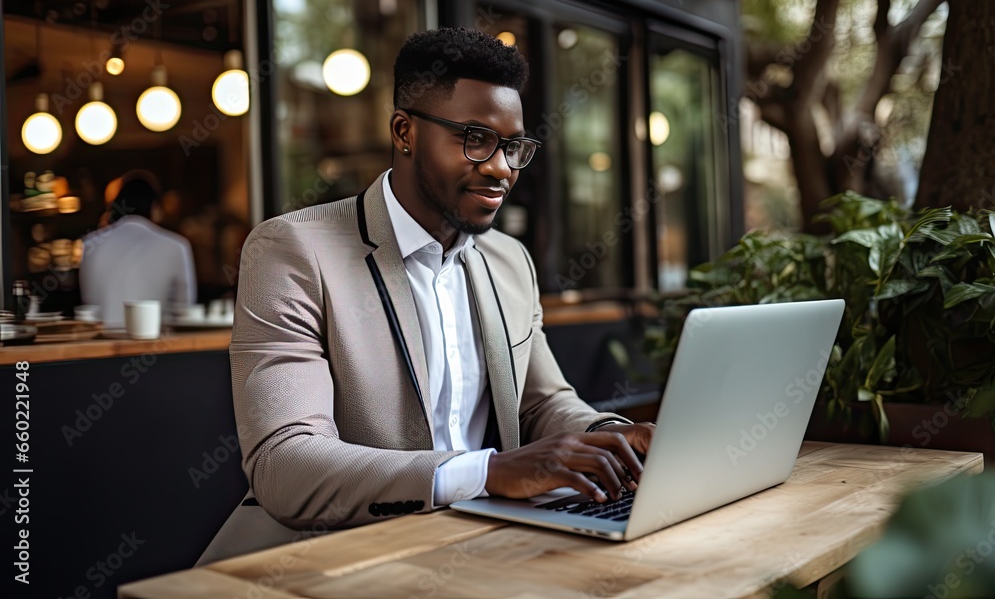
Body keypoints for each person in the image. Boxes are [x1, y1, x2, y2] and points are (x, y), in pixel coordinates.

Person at [199, 28, 655, 563]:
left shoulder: (508, 260)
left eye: (513, 147)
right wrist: (486, 472)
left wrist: (615, 440)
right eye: (476, 138)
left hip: (479, 543)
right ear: (404, 131)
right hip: (328, 556)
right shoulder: (293, 250)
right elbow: (286, 463)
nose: (501, 168)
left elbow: (543, 402)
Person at [79, 171, 196, 327]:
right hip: (160, 344)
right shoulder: (177, 245)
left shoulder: (90, 244)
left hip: (102, 344)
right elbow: (184, 308)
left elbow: (89, 303)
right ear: (155, 207)